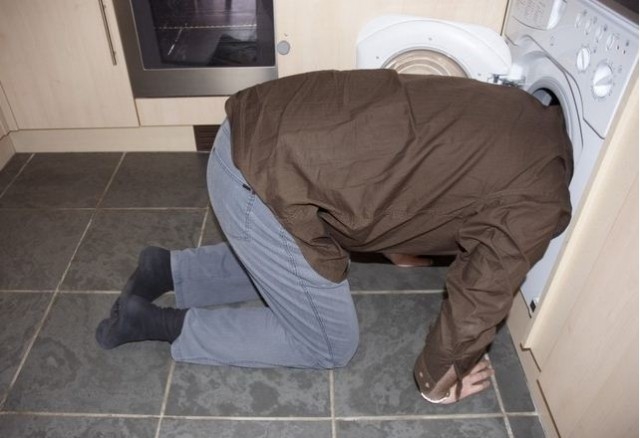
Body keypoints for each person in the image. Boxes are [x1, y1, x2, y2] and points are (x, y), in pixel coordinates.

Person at [95, 69, 572, 404]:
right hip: (255, 184)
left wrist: (398, 241)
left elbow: (417, 160)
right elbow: (481, 297)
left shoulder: (520, 109)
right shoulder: (539, 200)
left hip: (252, 128)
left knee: (294, 245)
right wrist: (437, 381)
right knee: (327, 343)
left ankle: (167, 269)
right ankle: (153, 323)